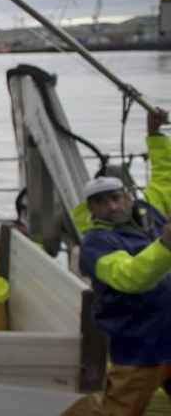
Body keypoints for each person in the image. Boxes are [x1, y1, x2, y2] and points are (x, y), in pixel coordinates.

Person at [62, 108, 171, 416]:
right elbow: (131, 277)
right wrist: (165, 246)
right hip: (141, 345)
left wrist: (155, 135)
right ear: (91, 210)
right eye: (100, 202)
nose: (111, 206)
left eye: (115, 197)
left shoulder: (149, 212)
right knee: (118, 411)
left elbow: (165, 178)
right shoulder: (96, 244)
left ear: (128, 197)